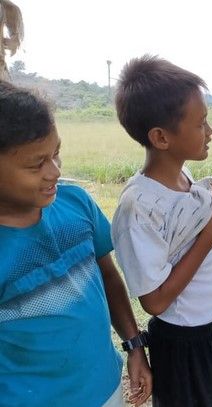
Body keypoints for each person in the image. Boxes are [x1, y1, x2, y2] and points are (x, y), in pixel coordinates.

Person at [0, 81, 151, 406]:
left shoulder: (77, 205)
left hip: (107, 387)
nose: (54, 171)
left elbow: (109, 277)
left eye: (56, 154)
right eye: (35, 164)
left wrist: (134, 344)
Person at [111, 55, 212, 407]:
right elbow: (154, 301)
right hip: (184, 343)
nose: (210, 132)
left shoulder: (188, 184)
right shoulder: (139, 207)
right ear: (161, 137)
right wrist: (210, 230)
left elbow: (201, 245)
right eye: (201, 123)